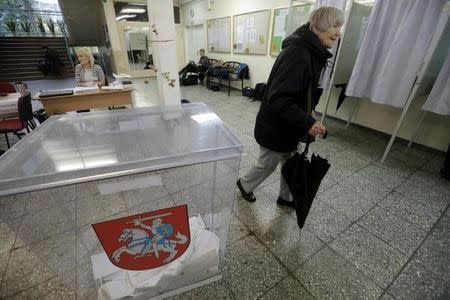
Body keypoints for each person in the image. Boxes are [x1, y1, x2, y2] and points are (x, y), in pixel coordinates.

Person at [236, 6, 344, 207]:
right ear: (319, 26)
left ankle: (286, 197)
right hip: (275, 126)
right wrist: (307, 121)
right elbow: (280, 99)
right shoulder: (298, 53)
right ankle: (244, 185)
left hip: (290, 123)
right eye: (335, 26)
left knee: (291, 162)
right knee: (267, 164)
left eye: (340, 26)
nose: (338, 32)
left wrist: (309, 113)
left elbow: (303, 90)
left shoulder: (312, 51)